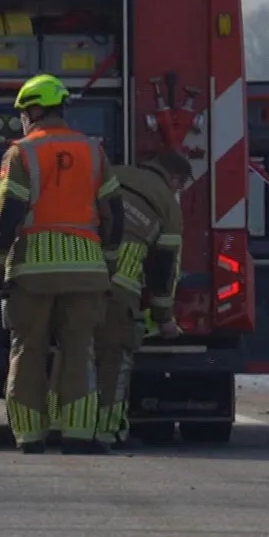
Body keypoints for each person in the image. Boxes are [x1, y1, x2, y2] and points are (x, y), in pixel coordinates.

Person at [0, 74, 124, 455]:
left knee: (28, 351)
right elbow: (114, 215)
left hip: (32, 273)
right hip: (86, 273)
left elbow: (5, 215)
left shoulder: (21, 154)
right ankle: (78, 435)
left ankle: (30, 437)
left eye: (23, 114)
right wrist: (107, 263)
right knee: (79, 351)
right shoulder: (94, 151)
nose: (22, 121)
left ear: (34, 111)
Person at [96, 150, 190, 446]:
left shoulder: (112, 173)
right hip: (119, 289)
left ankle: (67, 427)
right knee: (114, 361)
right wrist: (164, 318)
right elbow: (165, 268)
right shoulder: (168, 205)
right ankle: (108, 431)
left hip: (77, 276)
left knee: (71, 354)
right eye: (180, 186)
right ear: (174, 178)